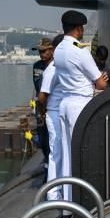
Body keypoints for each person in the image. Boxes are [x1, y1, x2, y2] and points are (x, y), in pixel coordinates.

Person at [54, 10, 109, 205]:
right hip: (80, 104)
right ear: (79, 28)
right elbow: (101, 84)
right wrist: (100, 79)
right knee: (84, 152)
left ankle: (69, 204)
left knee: (68, 154)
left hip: (64, 103)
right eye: (82, 28)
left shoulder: (58, 50)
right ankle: (83, 201)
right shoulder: (80, 52)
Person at [37, 34, 65, 200]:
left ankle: (61, 187)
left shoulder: (62, 66)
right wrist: (42, 113)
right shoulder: (52, 69)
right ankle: (53, 193)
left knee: (63, 152)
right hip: (53, 113)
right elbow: (42, 97)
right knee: (56, 153)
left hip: (61, 113)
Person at [31, 38, 53, 164]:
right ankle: (46, 161)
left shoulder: (57, 65)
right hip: (41, 108)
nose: (41, 54)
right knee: (43, 137)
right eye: (39, 52)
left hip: (53, 107)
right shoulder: (37, 66)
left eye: (44, 51)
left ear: (52, 50)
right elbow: (39, 87)